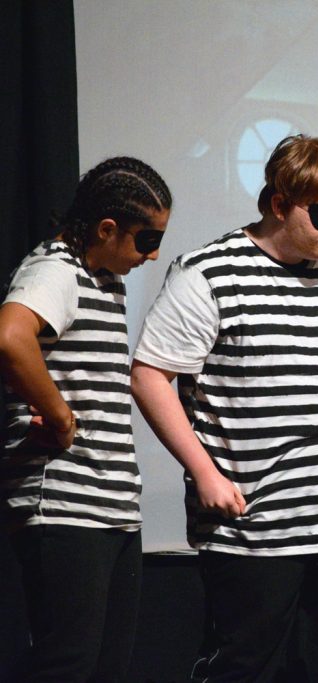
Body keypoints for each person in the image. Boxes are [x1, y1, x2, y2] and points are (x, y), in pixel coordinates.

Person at [130, 135, 318, 682]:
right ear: (280, 204)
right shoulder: (208, 272)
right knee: (245, 667)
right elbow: (149, 375)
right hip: (252, 529)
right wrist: (205, 473)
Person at [0, 157, 171, 682]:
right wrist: (59, 415)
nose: (153, 254)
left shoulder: (104, 279)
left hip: (110, 505)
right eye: (147, 240)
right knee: (67, 663)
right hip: (64, 504)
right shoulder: (55, 269)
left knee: (105, 666)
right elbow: (10, 337)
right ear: (106, 229)